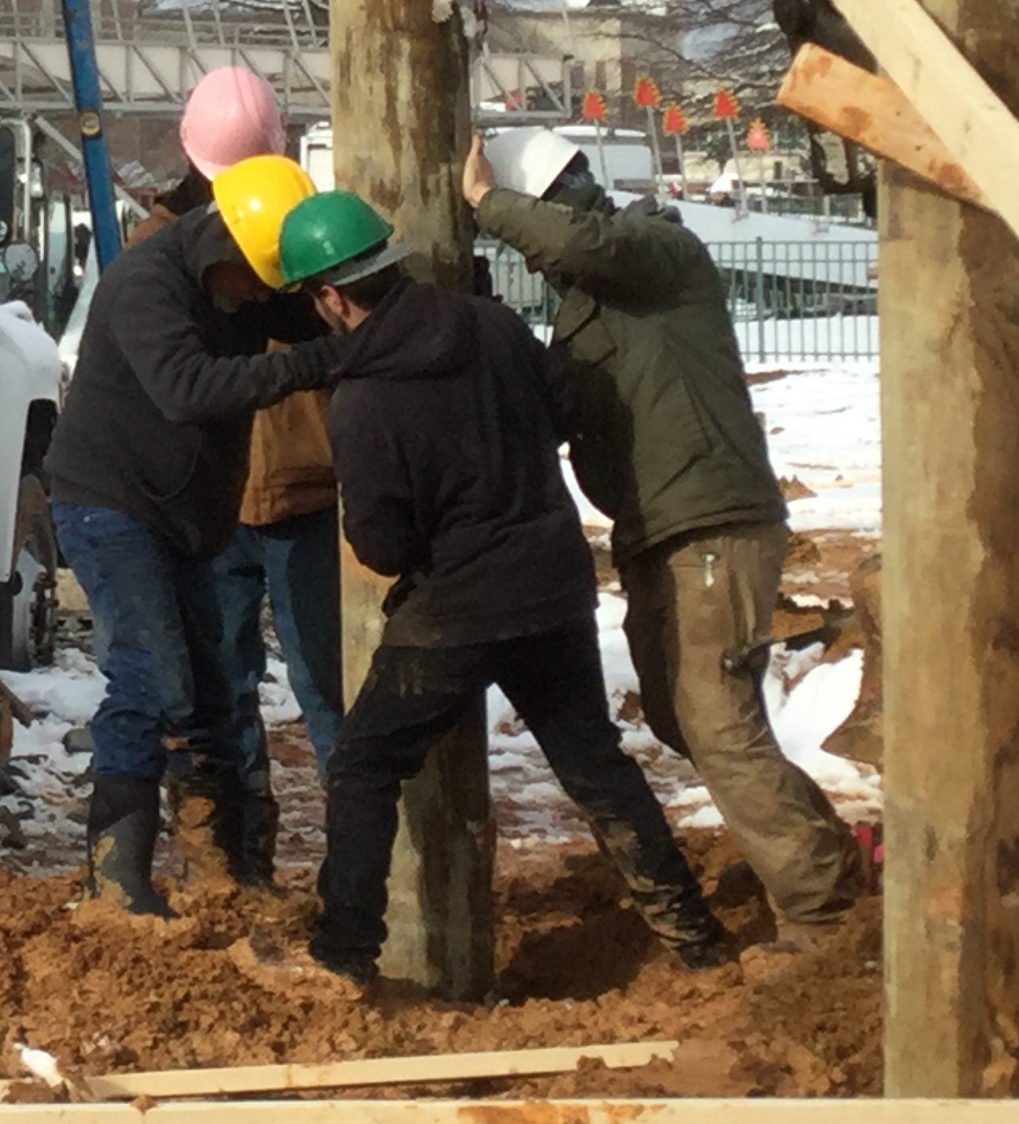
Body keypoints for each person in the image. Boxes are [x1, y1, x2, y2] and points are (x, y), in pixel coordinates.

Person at [278, 188, 734, 986]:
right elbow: (566, 404)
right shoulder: (492, 325)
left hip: (453, 609)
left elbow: (380, 544)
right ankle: (693, 938)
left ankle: (343, 952)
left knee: (363, 765)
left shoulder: (363, 400)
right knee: (596, 766)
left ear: (331, 296)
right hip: (552, 586)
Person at [464, 129, 861, 946]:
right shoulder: (582, 318)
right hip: (658, 531)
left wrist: (482, 205)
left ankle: (822, 911)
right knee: (690, 720)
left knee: (715, 720)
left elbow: (584, 243)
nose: (537, 259)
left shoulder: (657, 252)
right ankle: (816, 854)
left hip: (712, 520)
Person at [43, 151, 342, 916]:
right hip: (110, 503)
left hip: (186, 512)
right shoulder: (149, 282)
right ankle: (115, 881)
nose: (264, 300)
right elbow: (187, 389)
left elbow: (311, 316)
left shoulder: (241, 283)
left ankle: (224, 873)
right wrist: (317, 362)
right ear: (229, 250)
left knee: (214, 688)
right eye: (262, 281)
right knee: (151, 677)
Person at [166, 70, 348, 873]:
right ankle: (360, 859)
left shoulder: (160, 247)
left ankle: (240, 861)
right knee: (323, 685)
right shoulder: (308, 234)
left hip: (228, 499)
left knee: (226, 687)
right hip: (273, 492)